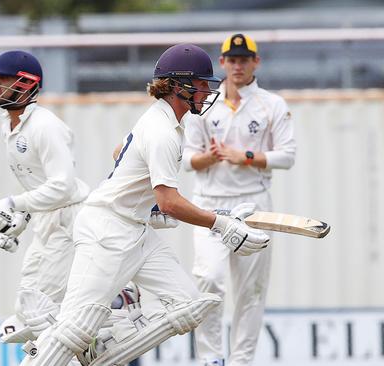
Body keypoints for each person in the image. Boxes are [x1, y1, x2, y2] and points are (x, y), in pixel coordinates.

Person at [19, 43, 270, 366]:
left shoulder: (162, 121)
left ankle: (105, 335)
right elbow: (169, 202)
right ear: (179, 86)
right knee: (73, 329)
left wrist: (145, 203)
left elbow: (119, 153)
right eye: (202, 84)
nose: (208, 91)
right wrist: (221, 226)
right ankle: (84, 331)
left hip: (134, 230)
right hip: (105, 232)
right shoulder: (163, 131)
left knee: (188, 305)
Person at [182, 34, 296, 366]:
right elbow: (187, 158)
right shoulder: (205, 102)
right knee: (209, 279)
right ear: (223, 62)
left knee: (251, 291)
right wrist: (210, 158)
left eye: (244, 59)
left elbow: (287, 156)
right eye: (232, 60)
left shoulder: (271, 104)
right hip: (209, 203)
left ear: (255, 62)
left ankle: (241, 361)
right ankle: (211, 359)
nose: (237, 66)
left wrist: (244, 156)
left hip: (254, 203)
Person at [0, 50, 91, 345]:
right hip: (46, 221)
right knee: (25, 309)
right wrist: (20, 219)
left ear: (26, 84)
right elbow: (38, 185)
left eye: (2, 79)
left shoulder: (45, 126)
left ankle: (111, 309)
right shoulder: (10, 125)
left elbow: (62, 186)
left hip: (69, 220)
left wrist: (14, 203)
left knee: (42, 308)